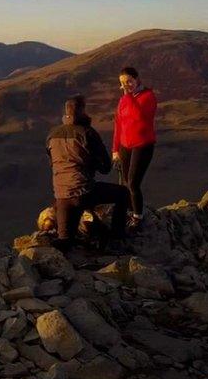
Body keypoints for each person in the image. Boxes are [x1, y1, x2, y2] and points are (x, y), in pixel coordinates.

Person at [46, 94, 130, 251]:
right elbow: (105, 168)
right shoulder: (87, 133)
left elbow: (52, 162)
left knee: (65, 240)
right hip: (84, 192)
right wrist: (92, 163)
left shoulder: (52, 134)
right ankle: (117, 236)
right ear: (82, 111)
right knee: (123, 193)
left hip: (62, 196)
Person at [112, 66, 157, 229]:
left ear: (137, 79)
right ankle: (130, 211)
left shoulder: (148, 96)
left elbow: (139, 117)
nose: (126, 85)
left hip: (143, 145)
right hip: (125, 145)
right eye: (123, 83)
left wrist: (128, 96)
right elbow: (119, 125)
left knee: (132, 183)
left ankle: (138, 216)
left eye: (129, 81)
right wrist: (115, 149)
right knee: (125, 182)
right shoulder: (123, 100)